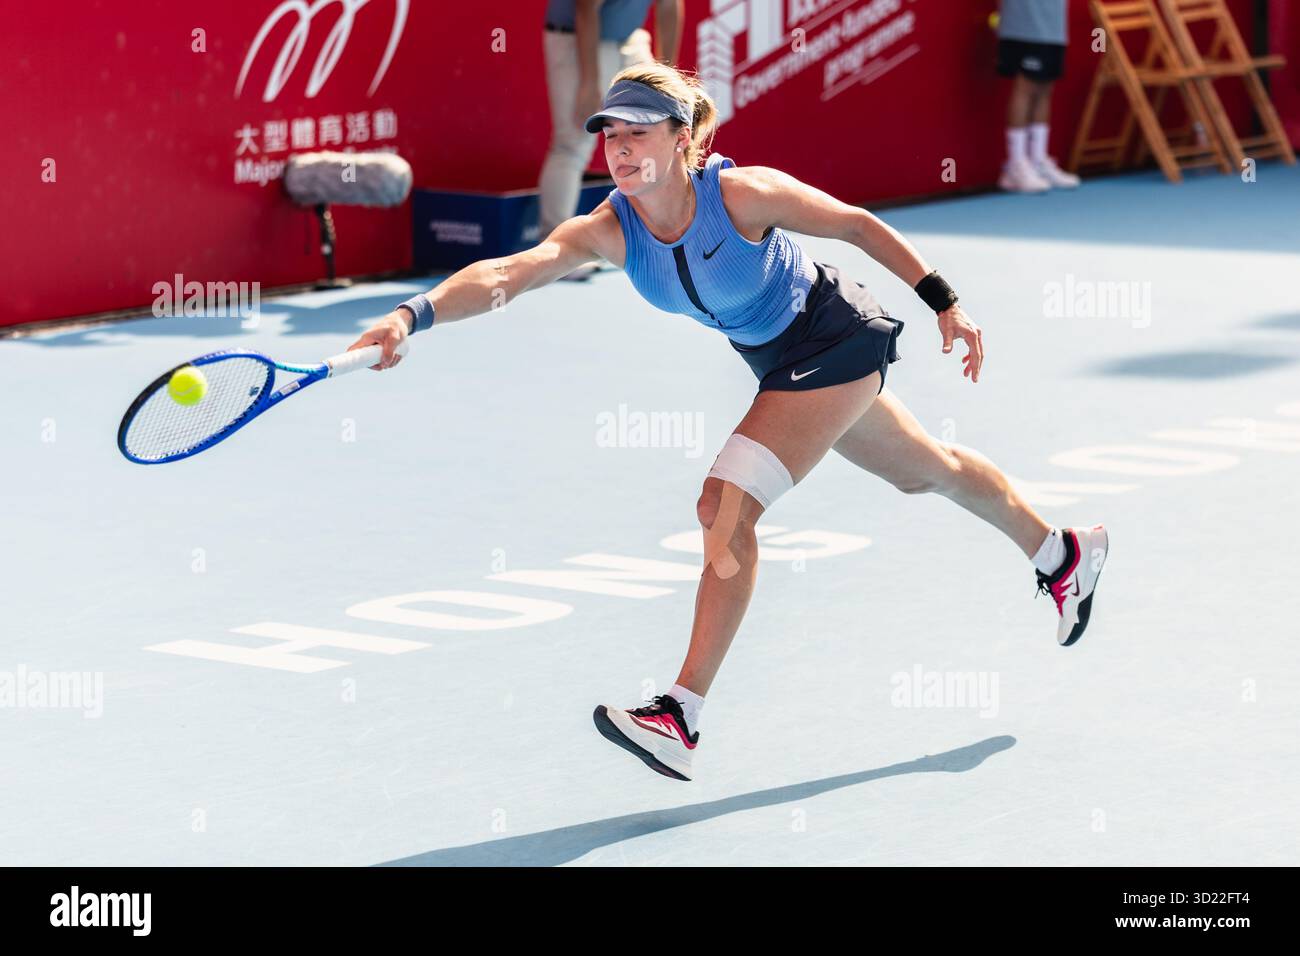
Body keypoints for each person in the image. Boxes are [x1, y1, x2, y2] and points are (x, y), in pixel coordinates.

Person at [348, 64, 1110, 782]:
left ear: (682, 139)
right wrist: (411, 314)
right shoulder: (608, 230)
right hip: (779, 364)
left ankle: (680, 714)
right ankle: (1063, 552)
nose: (619, 148)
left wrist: (944, 301)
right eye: (610, 135)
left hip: (836, 335)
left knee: (725, 502)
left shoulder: (742, 194)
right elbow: (511, 272)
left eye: (637, 133)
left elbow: (853, 223)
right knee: (926, 471)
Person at [540, 0, 684, 279]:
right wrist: (589, 82)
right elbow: (585, 8)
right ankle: (555, 254)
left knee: (659, 135)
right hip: (576, 40)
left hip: (629, 40)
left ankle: (665, 240)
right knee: (572, 144)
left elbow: (669, 7)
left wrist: (669, 77)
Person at [995, 0, 1081, 192]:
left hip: (1054, 27)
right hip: (1024, 25)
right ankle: (1015, 165)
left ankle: (1037, 160)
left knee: (1044, 89)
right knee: (1025, 87)